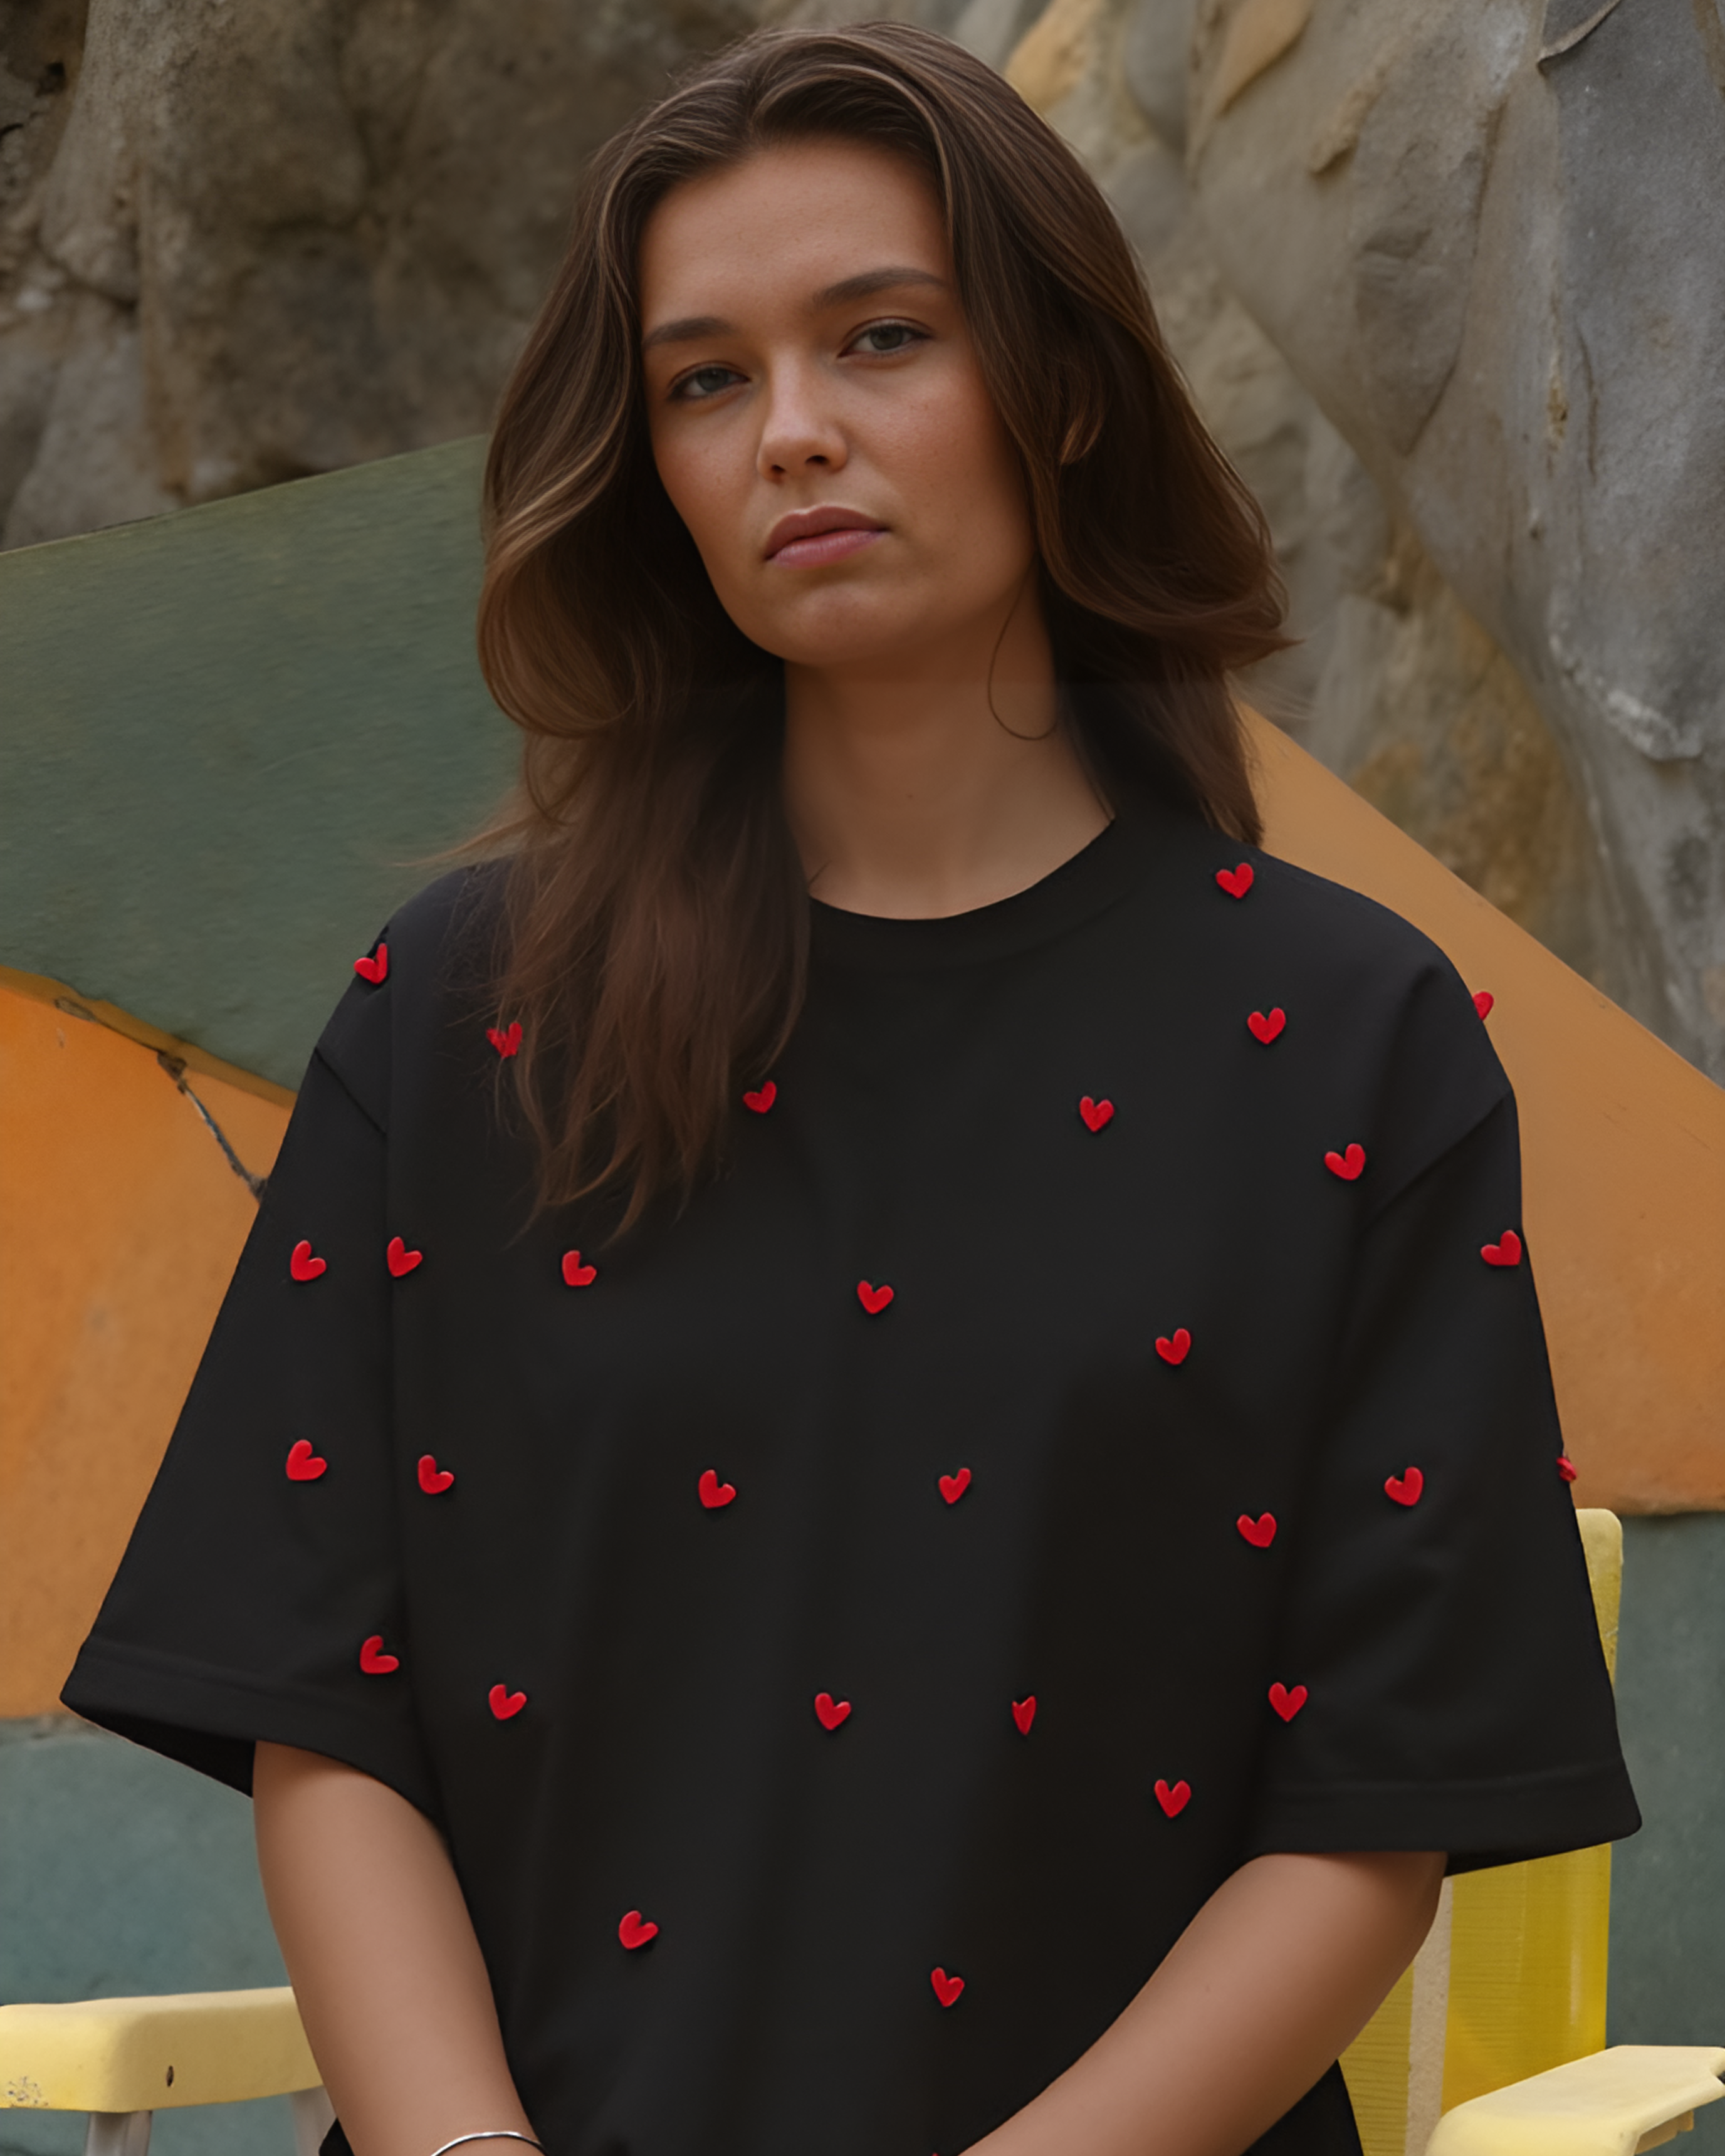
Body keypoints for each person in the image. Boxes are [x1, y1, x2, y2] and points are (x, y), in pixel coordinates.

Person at [63, 23, 1638, 2156]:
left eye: (879, 338)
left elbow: (1370, 1807)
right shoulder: (461, 1013)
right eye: (706, 379)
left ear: (1061, 388)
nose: (791, 432)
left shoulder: (1353, 1042)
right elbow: (321, 1716)